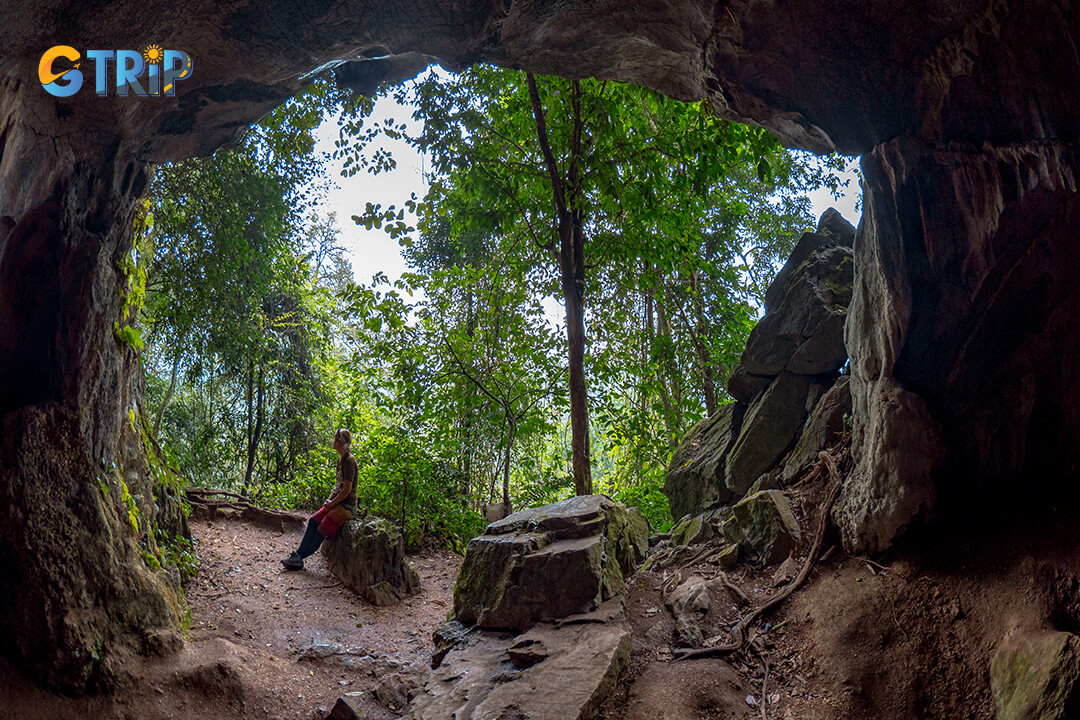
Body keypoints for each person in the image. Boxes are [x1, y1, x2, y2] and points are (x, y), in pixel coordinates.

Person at [281, 428, 358, 570]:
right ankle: (298, 556)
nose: (333, 441)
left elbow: (347, 489)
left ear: (340, 442)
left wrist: (332, 504)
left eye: (335, 439)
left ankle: (299, 557)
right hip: (337, 503)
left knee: (323, 528)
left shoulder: (349, 461)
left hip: (347, 506)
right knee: (313, 520)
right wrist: (328, 502)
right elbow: (337, 486)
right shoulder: (340, 460)